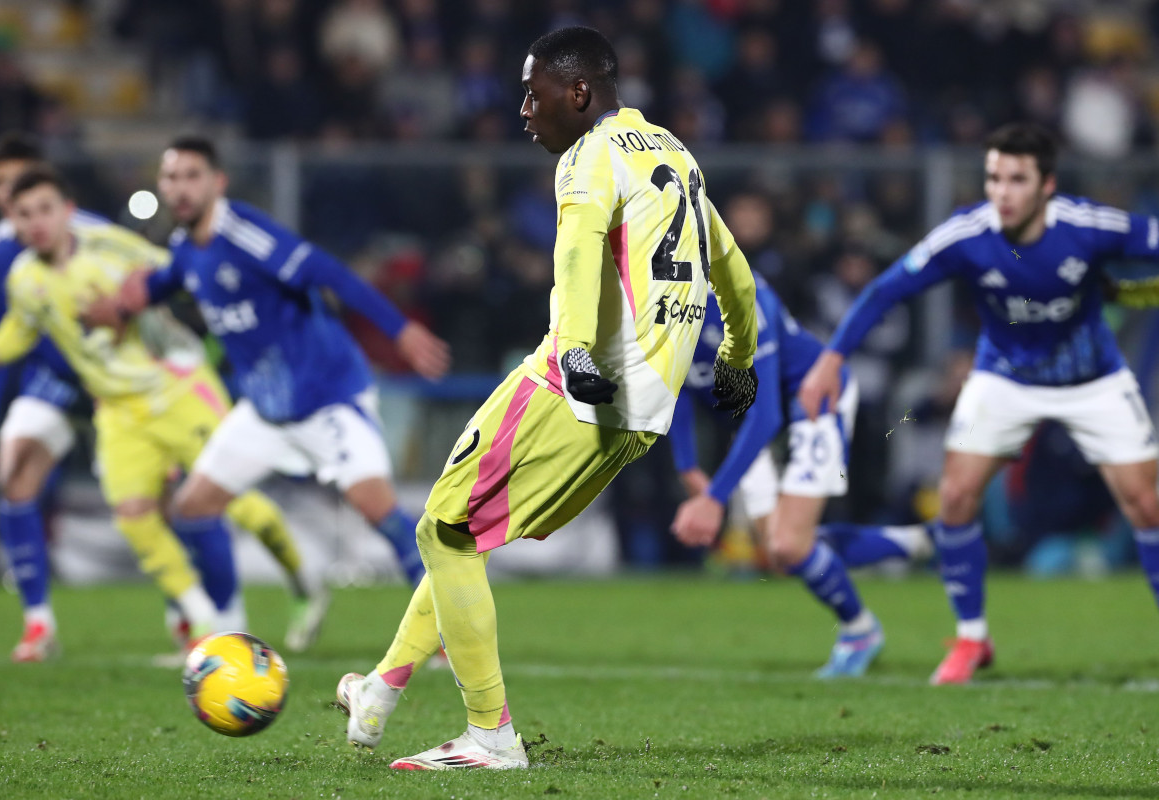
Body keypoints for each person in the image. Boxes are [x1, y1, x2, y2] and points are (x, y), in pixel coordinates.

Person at [334, 26, 759, 771]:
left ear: (580, 93)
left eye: (533, 94)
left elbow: (576, 256)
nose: (524, 110)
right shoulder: (673, 153)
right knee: (463, 534)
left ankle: (491, 736)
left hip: (579, 382)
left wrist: (570, 350)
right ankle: (380, 689)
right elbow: (733, 269)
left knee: (442, 531)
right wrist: (738, 356)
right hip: (643, 412)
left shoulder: (588, 157)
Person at [798, 122, 1159, 685]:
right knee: (957, 496)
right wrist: (832, 358)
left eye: (1017, 179)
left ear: (1047, 186)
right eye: (994, 177)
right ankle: (972, 639)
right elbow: (885, 290)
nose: (1002, 191)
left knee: (1147, 506)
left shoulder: (1090, 226)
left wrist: (1134, 293)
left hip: (1092, 379)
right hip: (1005, 377)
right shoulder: (966, 235)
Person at [0, 167, 301, 650]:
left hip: (175, 387)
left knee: (236, 503)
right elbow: (20, 328)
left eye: (44, 210)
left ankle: (300, 576)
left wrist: (127, 305)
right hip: (119, 409)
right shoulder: (24, 278)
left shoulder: (109, 247)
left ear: (68, 213)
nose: (35, 223)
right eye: (23, 215)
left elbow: (175, 273)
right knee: (135, 514)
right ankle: (204, 621)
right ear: (12, 223)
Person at [96, 135, 449, 599]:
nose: (180, 188)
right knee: (194, 508)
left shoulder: (243, 234)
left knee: (376, 507)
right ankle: (220, 633)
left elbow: (327, 271)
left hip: (328, 398)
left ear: (217, 182)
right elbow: (164, 283)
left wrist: (398, 328)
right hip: (265, 411)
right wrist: (123, 307)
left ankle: (449, 620)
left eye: (191, 176)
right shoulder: (185, 248)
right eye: (171, 177)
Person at [668, 278, 932, 678]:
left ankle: (859, 630)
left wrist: (714, 497)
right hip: (749, 417)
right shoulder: (656, 302)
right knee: (780, 552)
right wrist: (688, 467)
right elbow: (678, 386)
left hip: (812, 394)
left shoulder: (739, 294)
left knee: (790, 544)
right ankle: (923, 541)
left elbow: (768, 411)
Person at [0, 133, 104, 661]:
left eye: (18, 180)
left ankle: (189, 620)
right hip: (49, 381)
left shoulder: (96, 234)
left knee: (151, 498)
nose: (7, 193)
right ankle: (37, 624)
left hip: (114, 381)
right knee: (14, 472)